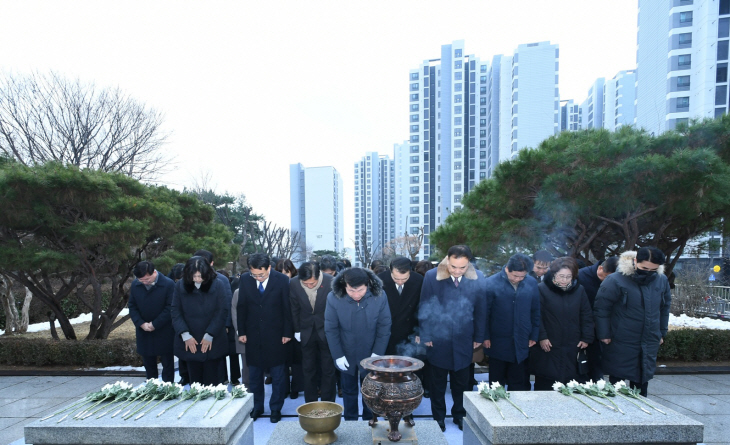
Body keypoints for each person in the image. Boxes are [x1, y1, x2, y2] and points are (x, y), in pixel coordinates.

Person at [418, 245, 486, 432]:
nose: (457, 271)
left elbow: (481, 309)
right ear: (447, 260)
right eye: (453, 266)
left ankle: (460, 415)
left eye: (462, 267)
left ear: (469, 264)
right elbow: (424, 306)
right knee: (437, 384)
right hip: (439, 337)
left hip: (465, 337)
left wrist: (479, 335)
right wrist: (426, 334)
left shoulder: (478, 277)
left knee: (462, 383)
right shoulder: (432, 276)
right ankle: (438, 418)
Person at [594, 248, 671, 397]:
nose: (648, 272)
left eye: (653, 270)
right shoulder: (615, 280)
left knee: (642, 380)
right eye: (644, 268)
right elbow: (601, 309)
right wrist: (604, 334)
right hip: (620, 338)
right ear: (635, 261)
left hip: (648, 338)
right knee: (617, 382)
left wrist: (661, 332)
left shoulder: (661, 280)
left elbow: (664, 308)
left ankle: (641, 414)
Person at [325, 267, 391, 421]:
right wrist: (338, 355)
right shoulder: (333, 297)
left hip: (371, 351)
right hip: (346, 351)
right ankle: (350, 421)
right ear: (344, 285)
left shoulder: (379, 296)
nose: (355, 295)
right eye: (351, 290)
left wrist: (377, 353)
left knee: (370, 391)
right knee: (348, 390)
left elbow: (384, 326)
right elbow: (331, 328)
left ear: (367, 284)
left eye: (360, 290)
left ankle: (370, 421)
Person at [237, 253, 293, 423]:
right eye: (254, 274)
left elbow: (286, 308)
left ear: (269, 268)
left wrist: (287, 332)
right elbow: (242, 307)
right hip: (253, 334)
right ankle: (257, 407)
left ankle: (276, 408)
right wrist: (242, 332)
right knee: (254, 375)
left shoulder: (282, 280)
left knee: (278, 375)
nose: (258, 278)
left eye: (261, 274)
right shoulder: (246, 279)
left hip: (276, 334)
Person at [529, 257, 594, 390]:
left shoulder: (579, 290)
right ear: (553, 274)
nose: (564, 280)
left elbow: (586, 315)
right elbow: (536, 316)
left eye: (568, 277)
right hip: (549, 342)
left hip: (573, 342)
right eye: (561, 276)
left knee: (570, 379)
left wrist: (586, 337)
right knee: (547, 381)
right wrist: (542, 337)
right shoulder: (542, 289)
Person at [378, 256, 425, 424]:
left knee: (405, 376)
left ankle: (406, 412)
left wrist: (420, 331)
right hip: (386, 335)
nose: (400, 281)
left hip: (408, 334)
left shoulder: (419, 280)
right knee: (385, 375)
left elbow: (422, 307)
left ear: (410, 273)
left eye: (404, 279)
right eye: (396, 278)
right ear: (390, 271)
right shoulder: (379, 280)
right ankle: (382, 408)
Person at [484, 253, 540, 392]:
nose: (518, 279)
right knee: (497, 385)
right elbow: (485, 314)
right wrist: (485, 336)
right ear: (507, 269)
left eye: (522, 276)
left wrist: (534, 334)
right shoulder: (491, 283)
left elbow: (535, 310)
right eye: (515, 276)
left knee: (520, 383)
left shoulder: (531, 282)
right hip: (498, 340)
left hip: (522, 340)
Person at [171, 256, 228, 385]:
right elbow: (175, 311)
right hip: (190, 339)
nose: (197, 279)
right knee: (195, 383)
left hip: (212, 339)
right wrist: (185, 334)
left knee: (212, 382)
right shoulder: (180, 285)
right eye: (194, 276)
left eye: (200, 276)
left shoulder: (217, 284)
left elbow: (222, 311)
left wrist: (210, 334)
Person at [290, 262, 337, 403]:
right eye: (306, 283)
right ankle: (310, 403)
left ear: (319, 275)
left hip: (327, 331)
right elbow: (294, 308)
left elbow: (336, 309)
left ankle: (328, 403)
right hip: (305, 331)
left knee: (328, 369)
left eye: (313, 283)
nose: (309, 286)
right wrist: (297, 330)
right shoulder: (294, 283)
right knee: (308, 369)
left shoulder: (331, 281)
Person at [193, 249, 237, 386]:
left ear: (212, 263)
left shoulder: (221, 279)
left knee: (218, 355)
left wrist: (226, 325)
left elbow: (227, 304)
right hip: (197, 327)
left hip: (218, 325)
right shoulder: (189, 280)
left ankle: (222, 379)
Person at [128, 261, 176, 382]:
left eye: (147, 279)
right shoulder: (135, 285)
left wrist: (155, 324)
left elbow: (170, 307)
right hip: (144, 330)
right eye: (141, 280)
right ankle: (152, 386)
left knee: (167, 363)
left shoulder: (168, 284)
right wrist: (141, 323)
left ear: (154, 272)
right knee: (148, 363)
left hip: (164, 329)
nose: (145, 282)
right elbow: (132, 306)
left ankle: (168, 387)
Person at [578, 256, 619, 381]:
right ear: (600, 268)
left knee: (598, 366)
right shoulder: (581, 276)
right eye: (606, 277)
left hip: (603, 329)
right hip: (583, 328)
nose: (608, 282)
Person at [275, 258, 303, 399]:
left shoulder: (297, 284)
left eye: (286, 272)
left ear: (292, 271)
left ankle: (296, 388)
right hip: (280, 328)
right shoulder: (274, 285)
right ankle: (284, 388)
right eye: (280, 272)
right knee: (282, 361)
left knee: (297, 360)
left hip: (296, 326)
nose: (284, 275)